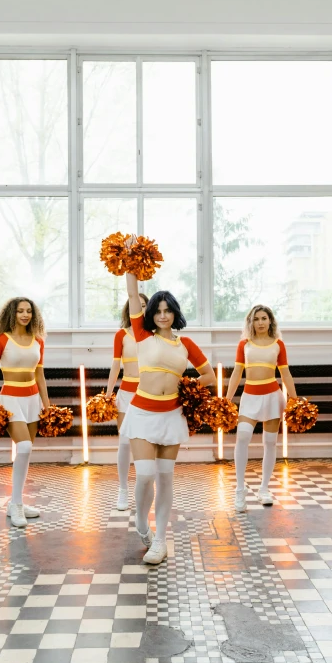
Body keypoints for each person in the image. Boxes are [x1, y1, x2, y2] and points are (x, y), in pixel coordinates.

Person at [121, 237, 215, 564]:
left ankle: (160, 539)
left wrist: (187, 387)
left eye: (167, 310)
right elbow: (133, 293)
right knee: (145, 475)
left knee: (165, 478)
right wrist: (131, 256)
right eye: (157, 310)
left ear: (175, 313)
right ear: (151, 314)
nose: (162, 315)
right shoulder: (141, 336)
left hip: (172, 416)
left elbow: (209, 377)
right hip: (142, 414)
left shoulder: (185, 343)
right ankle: (140, 521)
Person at [0, 297, 50, 528]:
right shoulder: (0, 340)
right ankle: (17, 505)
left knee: (26, 452)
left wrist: (47, 405)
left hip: (32, 399)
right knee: (24, 446)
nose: (25, 315)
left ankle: (16, 502)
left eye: (29, 311)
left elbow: (40, 375)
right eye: (20, 311)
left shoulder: (38, 341)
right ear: (12, 313)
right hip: (10, 399)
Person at [226, 304, 297, 512]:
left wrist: (294, 400)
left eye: (264, 318)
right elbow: (236, 374)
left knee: (270, 442)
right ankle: (240, 489)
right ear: (251, 322)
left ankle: (264, 489)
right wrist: (227, 400)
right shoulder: (244, 344)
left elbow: (285, 374)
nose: (260, 322)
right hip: (250, 397)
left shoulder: (278, 345)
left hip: (273, 397)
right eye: (256, 319)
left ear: (270, 321)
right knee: (243, 437)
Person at [106, 294, 149, 511]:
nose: (140, 309)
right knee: (124, 442)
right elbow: (115, 366)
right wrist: (108, 393)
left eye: (144, 306)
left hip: (148, 394)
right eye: (136, 306)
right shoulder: (121, 335)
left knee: (147, 442)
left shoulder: (153, 334)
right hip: (126, 393)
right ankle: (123, 489)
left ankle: (145, 487)